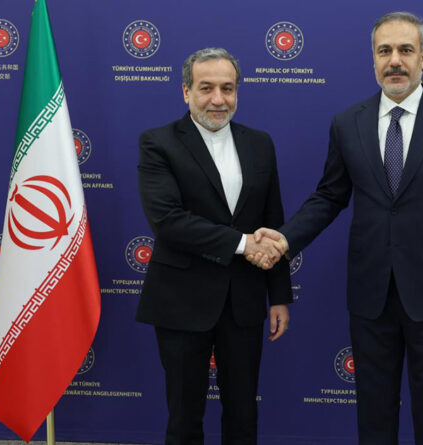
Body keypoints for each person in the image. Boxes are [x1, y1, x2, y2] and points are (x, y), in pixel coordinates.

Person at [251, 12, 423, 445]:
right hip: (370, 292)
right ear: (374, 59)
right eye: (385, 51)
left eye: (405, 50)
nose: (395, 60)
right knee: (374, 413)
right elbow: (329, 196)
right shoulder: (348, 123)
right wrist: (286, 239)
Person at [136, 47, 292, 445]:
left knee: (243, 413)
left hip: (244, 300)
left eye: (227, 88)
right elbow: (168, 220)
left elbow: (272, 223)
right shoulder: (158, 143)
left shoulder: (260, 143)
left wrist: (278, 296)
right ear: (185, 91)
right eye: (206, 88)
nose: (218, 99)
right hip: (180, 300)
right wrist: (242, 243)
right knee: (185, 416)